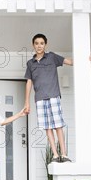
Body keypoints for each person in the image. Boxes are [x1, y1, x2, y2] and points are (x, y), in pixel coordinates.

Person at [23, 33, 73, 163]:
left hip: (53, 96)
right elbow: (29, 82)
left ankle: (64, 154)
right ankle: (55, 155)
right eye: (36, 43)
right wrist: (27, 102)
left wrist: (85, 60)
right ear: (33, 45)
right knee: (47, 127)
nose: (39, 46)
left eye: (41, 43)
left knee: (58, 125)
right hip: (39, 98)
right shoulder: (30, 63)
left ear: (45, 44)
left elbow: (70, 62)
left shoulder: (52, 57)